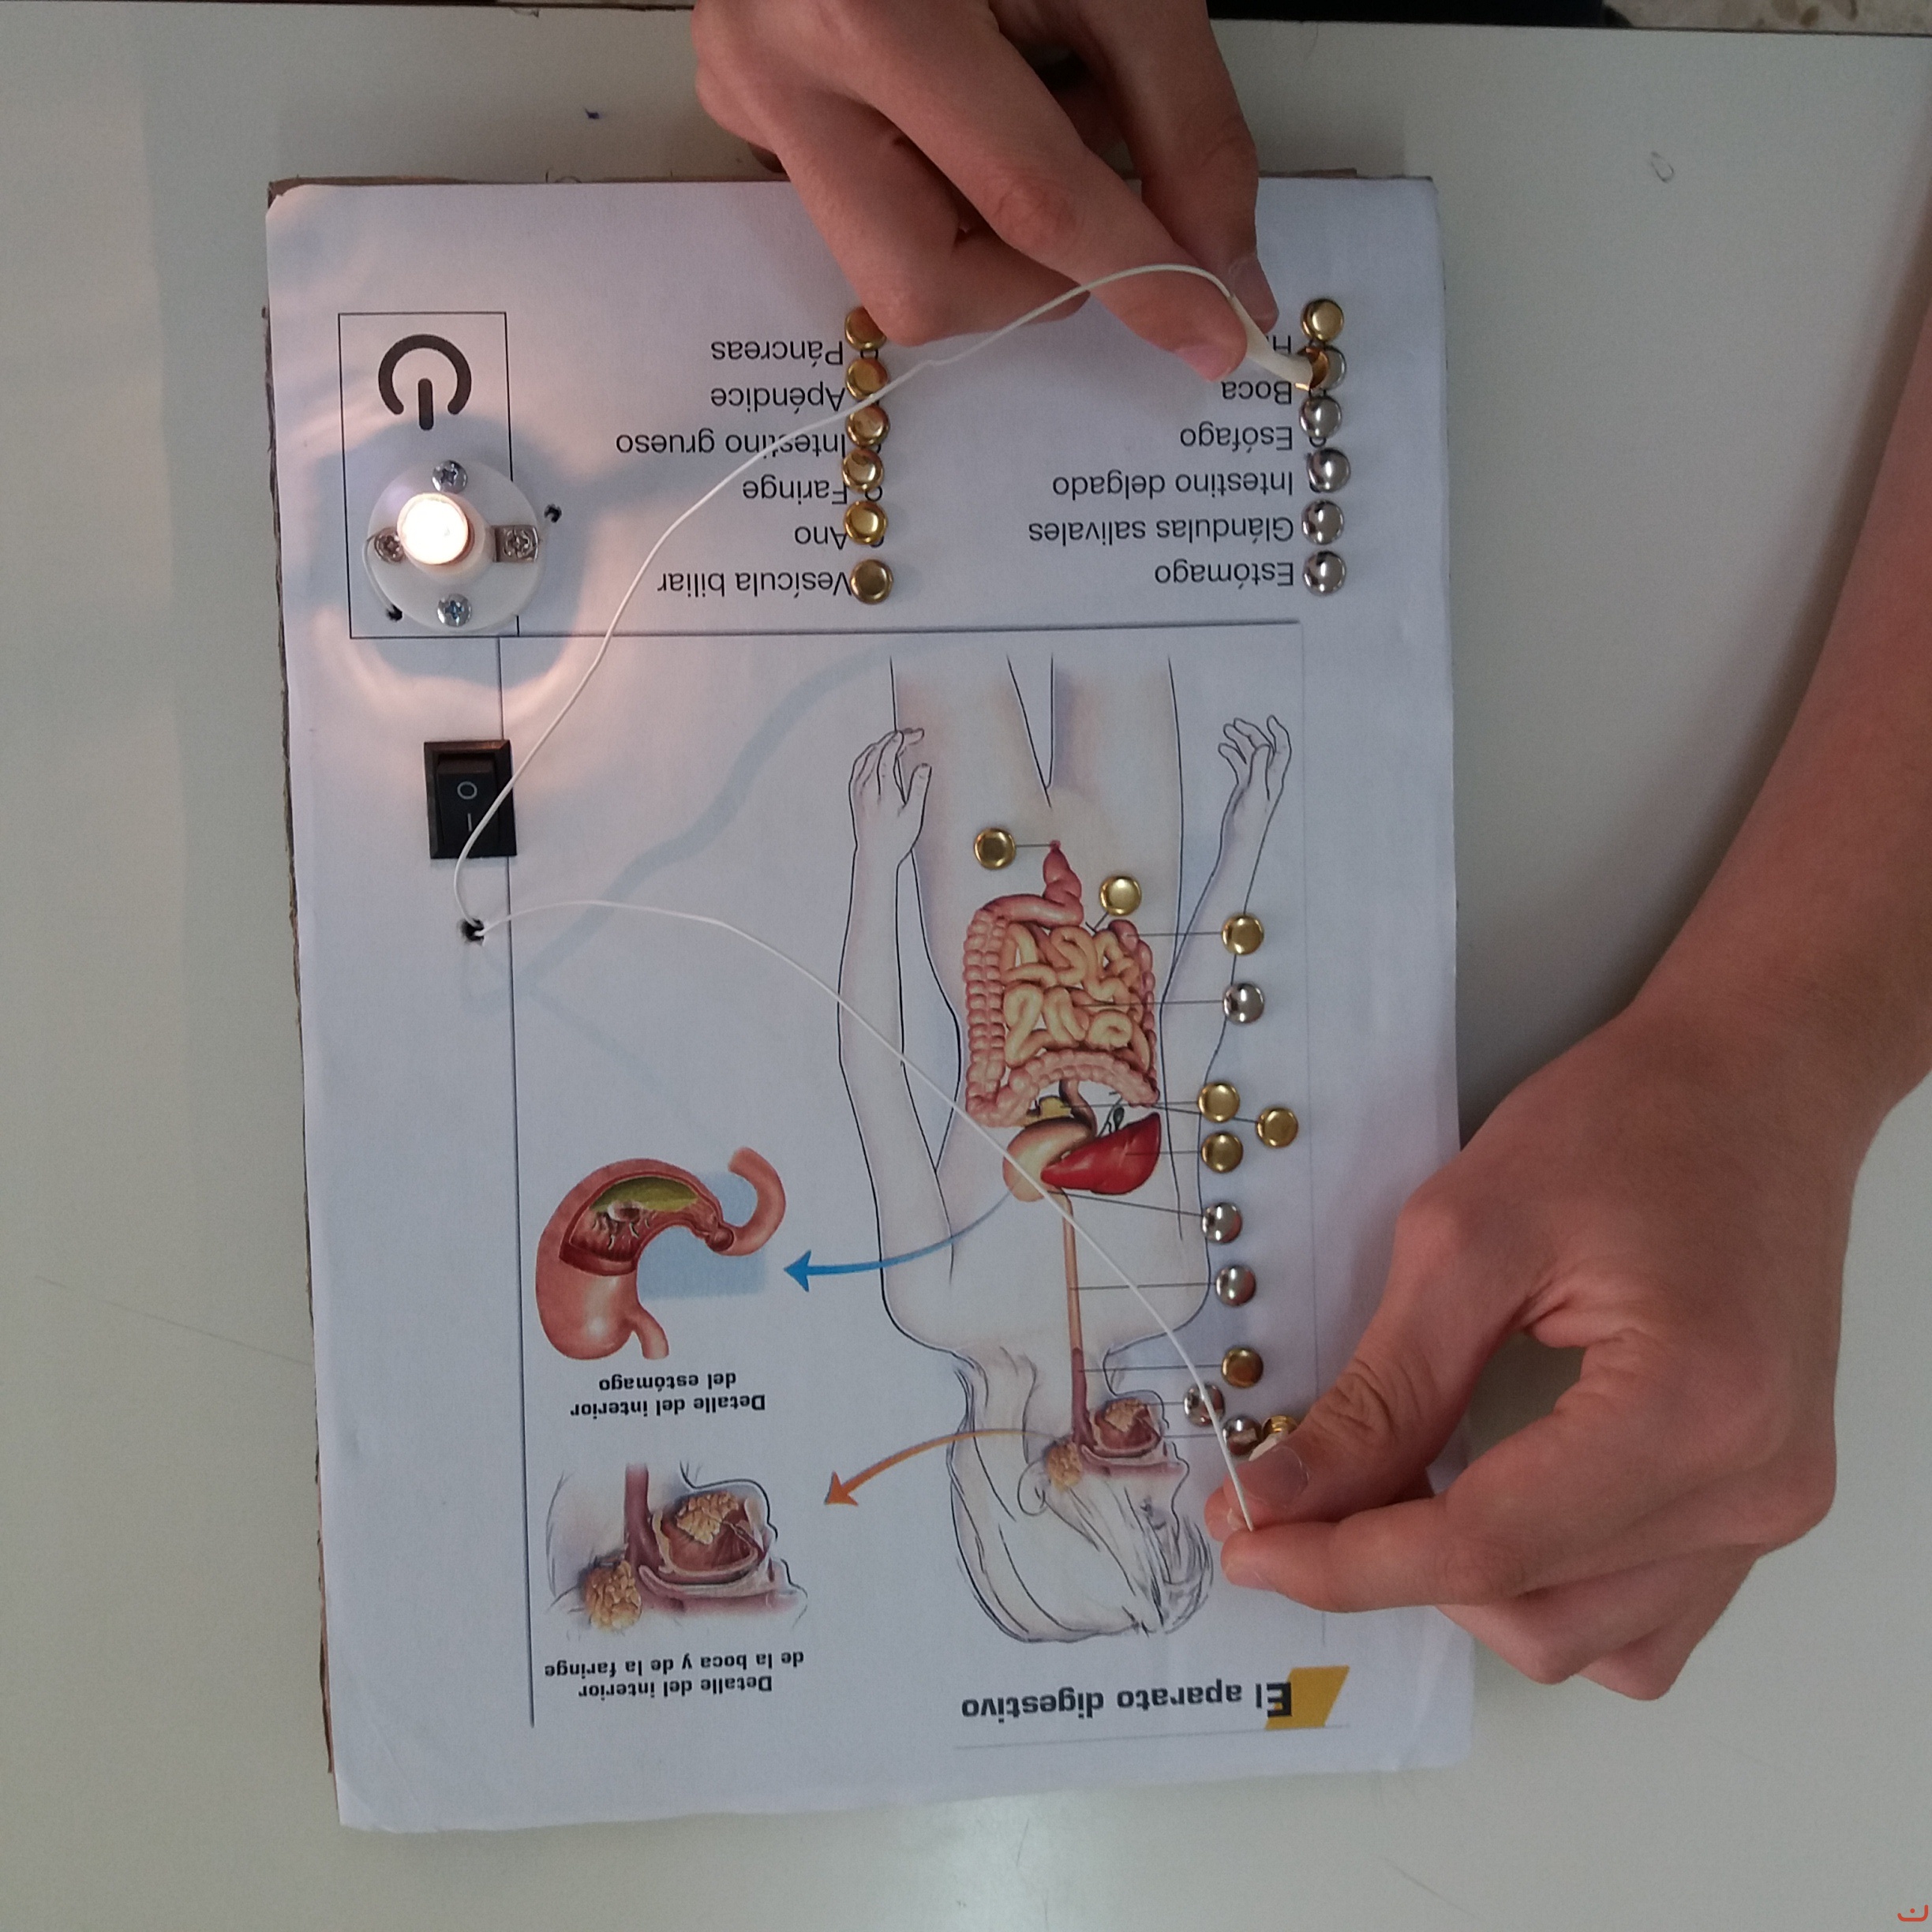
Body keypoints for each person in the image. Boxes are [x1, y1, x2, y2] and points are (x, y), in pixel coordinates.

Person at [691, 0, 1932, 1697]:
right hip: (1133, 891)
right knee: (1123, 524)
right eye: (1170, 1521)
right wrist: (1246, 840)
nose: (1161, 1479)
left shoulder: (937, 1307)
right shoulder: (1164, 1288)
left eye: (1121, 1514)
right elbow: (1186, 1045)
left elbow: (876, 1057)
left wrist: (868, 858)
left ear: (1021, 1503)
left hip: (973, 902)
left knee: (981, 553)